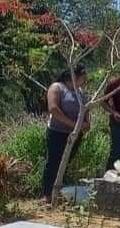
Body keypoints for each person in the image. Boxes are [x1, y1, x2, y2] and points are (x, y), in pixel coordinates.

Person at [42, 65, 90, 202]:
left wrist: (86, 123)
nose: (85, 80)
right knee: (53, 162)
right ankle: (48, 194)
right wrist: (75, 125)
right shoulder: (57, 87)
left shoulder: (80, 91)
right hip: (57, 132)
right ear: (74, 76)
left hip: (75, 134)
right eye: (83, 77)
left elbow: (85, 109)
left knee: (66, 162)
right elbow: (53, 109)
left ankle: (61, 191)